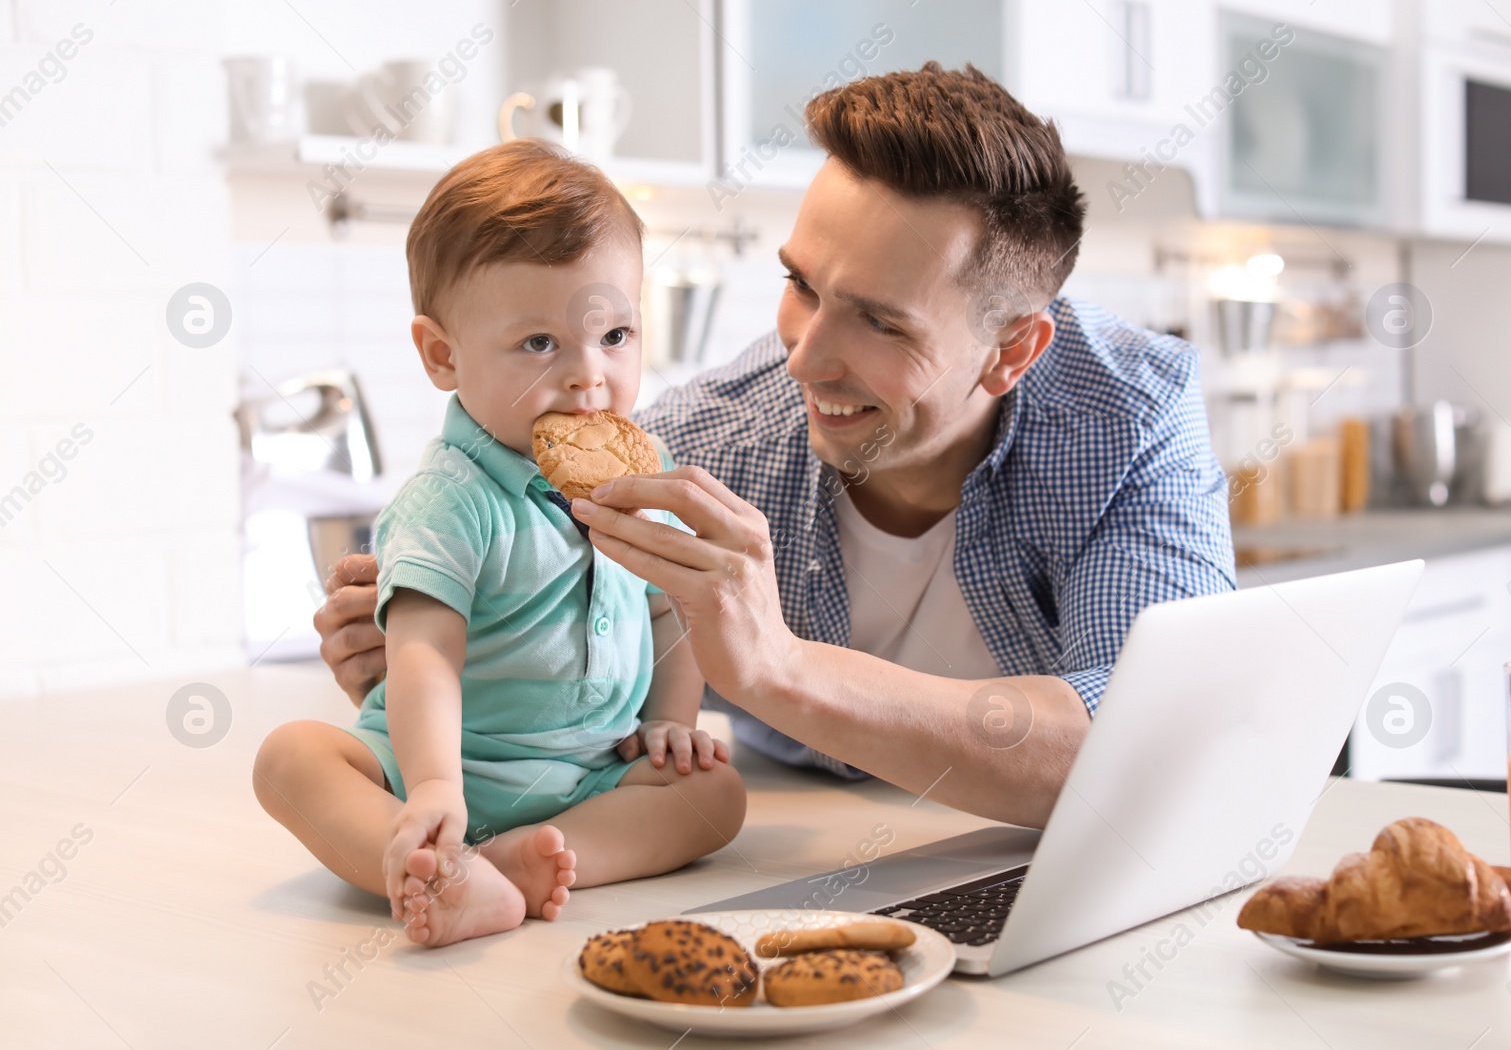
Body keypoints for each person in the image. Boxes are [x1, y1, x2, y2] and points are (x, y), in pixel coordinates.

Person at [314, 63, 1235, 832]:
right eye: (801, 283)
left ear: (1011, 350)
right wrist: (455, 652)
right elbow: (575, 670)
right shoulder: (710, 438)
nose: (804, 355)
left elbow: (1152, 748)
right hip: (814, 853)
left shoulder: (1130, 424)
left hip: (1049, 874)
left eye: (878, 320)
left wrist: (778, 667)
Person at [254, 140, 745, 949]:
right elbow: (423, 658)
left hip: (589, 773)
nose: (591, 377)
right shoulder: (449, 500)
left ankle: (530, 862)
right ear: (443, 354)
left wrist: (670, 720)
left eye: (616, 334)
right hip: (438, 765)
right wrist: (436, 783)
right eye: (542, 344)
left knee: (715, 793)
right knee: (290, 756)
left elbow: (672, 606)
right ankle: (428, 846)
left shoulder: (645, 471)